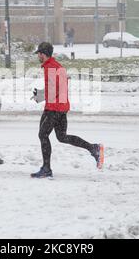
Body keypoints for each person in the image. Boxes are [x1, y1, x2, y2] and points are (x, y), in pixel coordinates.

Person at [30, 42, 104, 178]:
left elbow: (54, 91)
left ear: (43, 54)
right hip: (60, 107)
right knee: (62, 136)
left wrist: (39, 96)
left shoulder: (51, 68)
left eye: (39, 54)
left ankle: (46, 169)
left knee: (43, 135)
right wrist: (41, 94)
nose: (38, 56)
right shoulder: (55, 66)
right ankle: (93, 148)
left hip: (54, 108)